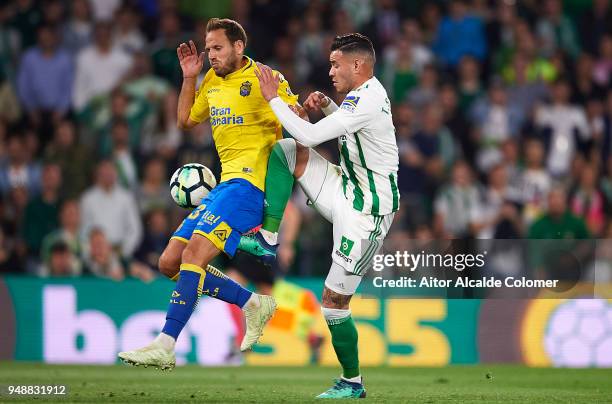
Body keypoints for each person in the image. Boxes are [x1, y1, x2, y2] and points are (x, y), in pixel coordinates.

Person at [118, 18, 298, 370]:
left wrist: (278, 101)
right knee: (170, 261)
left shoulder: (264, 77)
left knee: (195, 254)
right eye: (208, 48)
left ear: (238, 47)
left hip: (252, 186)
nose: (211, 54)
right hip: (224, 185)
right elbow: (185, 121)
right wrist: (189, 77)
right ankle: (252, 303)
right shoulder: (212, 80)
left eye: (217, 47)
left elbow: (298, 121)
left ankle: (166, 343)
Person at [242, 33, 399, 398]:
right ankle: (267, 240)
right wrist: (329, 107)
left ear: (357, 65)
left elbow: (311, 136)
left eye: (335, 64)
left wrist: (273, 98)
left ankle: (352, 382)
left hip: (367, 213)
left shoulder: (368, 99)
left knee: (333, 302)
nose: (330, 71)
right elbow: (349, 136)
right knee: (285, 152)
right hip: (345, 186)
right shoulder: (361, 95)